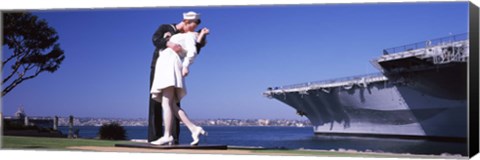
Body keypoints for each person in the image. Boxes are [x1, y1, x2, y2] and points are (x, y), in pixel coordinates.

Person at [150, 11, 209, 146]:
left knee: (166, 103)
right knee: (170, 104)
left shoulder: (189, 36)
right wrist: (167, 39)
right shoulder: (181, 34)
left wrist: (186, 66)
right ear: (186, 22)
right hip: (165, 64)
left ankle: (167, 135)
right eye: (192, 26)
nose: (192, 29)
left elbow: (193, 52)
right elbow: (156, 40)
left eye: (195, 28)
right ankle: (193, 128)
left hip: (170, 64)